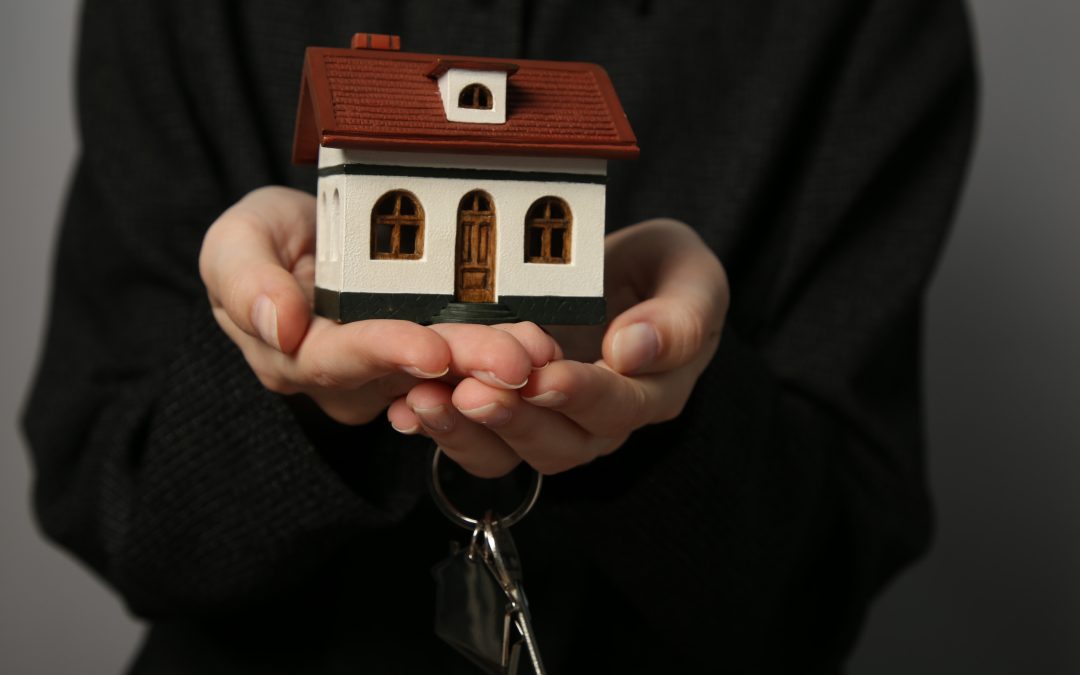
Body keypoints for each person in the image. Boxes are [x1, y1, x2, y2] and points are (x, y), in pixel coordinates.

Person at [22, 1, 977, 672]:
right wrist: (282, 389)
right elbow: (107, 501)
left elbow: (820, 592)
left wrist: (661, 417)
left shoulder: (866, 19)